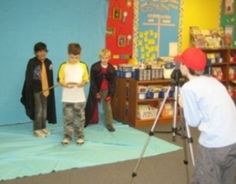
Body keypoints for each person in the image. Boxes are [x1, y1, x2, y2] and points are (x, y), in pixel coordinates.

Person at [177, 47, 236, 184]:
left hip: (214, 146)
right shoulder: (215, 82)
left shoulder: (189, 87)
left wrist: (184, 105)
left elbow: (193, 121)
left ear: (185, 68)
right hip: (233, 141)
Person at [21, 42, 57, 138]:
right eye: (39, 51)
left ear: (46, 51)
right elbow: (29, 77)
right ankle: (37, 129)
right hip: (36, 90)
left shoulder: (49, 62)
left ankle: (43, 127)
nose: (42, 53)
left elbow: (50, 77)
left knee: (45, 109)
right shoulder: (32, 62)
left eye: (43, 51)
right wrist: (31, 90)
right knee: (39, 110)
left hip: (46, 90)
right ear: (35, 53)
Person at [58, 43, 89, 145]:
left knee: (80, 118)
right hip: (67, 97)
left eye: (77, 57)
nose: (74, 59)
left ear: (80, 54)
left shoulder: (83, 65)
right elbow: (59, 80)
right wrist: (65, 84)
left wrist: (82, 83)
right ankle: (67, 136)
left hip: (79, 97)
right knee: (68, 118)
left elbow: (86, 79)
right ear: (68, 54)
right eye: (72, 57)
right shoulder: (63, 66)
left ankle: (80, 136)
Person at [85, 48, 116, 132]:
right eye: (102, 58)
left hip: (106, 90)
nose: (104, 60)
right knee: (91, 105)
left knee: (107, 107)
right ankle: (86, 121)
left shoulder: (112, 69)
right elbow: (93, 81)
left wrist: (110, 94)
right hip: (97, 89)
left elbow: (113, 84)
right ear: (100, 57)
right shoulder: (95, 67)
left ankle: (109, 125)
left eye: (106, 58)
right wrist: (96, 92)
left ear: (109, 58)